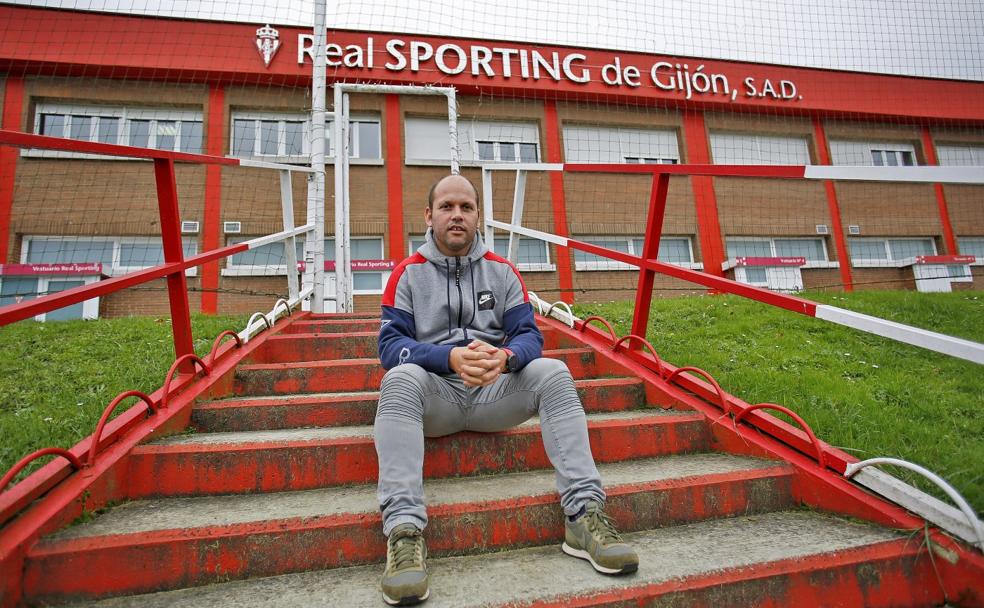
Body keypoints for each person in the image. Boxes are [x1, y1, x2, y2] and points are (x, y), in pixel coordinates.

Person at [375, 174, 638, 606]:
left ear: (478, 216)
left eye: (466, 207)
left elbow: (529, 336)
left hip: (495, 393)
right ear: (428, 215)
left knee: (552, 371)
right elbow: (389, 347)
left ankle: (583, 516)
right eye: (446, 207)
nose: (456, 215)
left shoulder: (503, 270)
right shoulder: (406, 274)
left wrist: (506, 358)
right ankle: (404, 534)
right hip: (436, 396)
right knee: (398, 378)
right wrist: (449, 359)